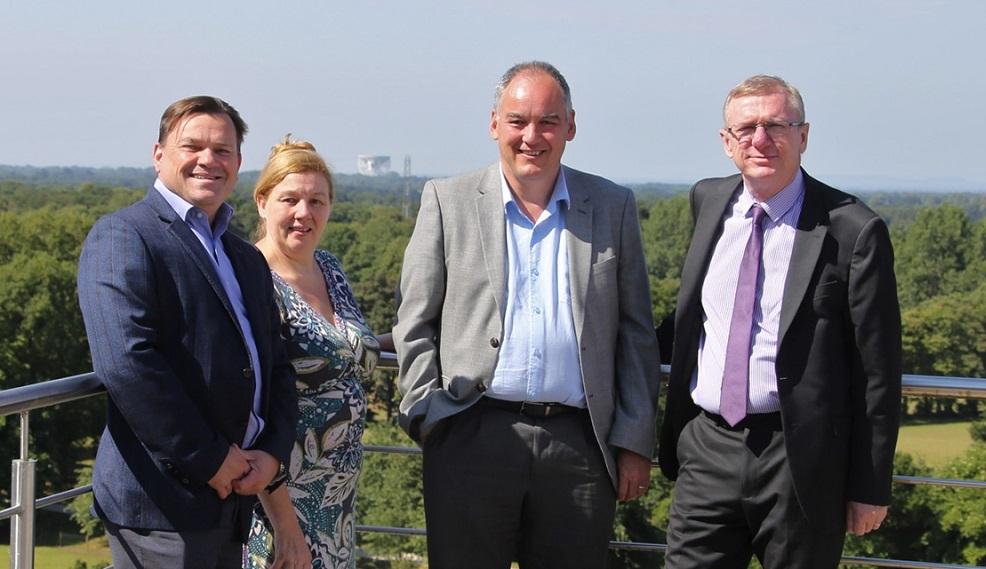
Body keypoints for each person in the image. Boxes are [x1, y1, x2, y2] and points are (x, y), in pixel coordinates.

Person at [393, 61, 660, 569]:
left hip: (580, 446)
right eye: (518, 121)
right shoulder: (446, 201)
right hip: (468, 433)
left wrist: (633, 440)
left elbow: (636, 334)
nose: (531, 136)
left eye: (548, 121)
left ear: (571, 127)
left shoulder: (612, 206)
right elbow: (414, 322)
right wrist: (428, 415)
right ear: (494, 123)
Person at [658, 75, 902, 569]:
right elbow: (693, 319)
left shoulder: (854, 229)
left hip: (799, 460)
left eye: (776, 125)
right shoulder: (708, 201)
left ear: (804, 135)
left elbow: (878, 372)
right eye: (745, 129)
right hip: (707, 447)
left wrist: (870, 486)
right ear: (726, 143)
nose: (761, 140)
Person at [77, 96, 298, 568]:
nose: (208, 160)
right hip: (162, 504)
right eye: (192, 146)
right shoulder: (123, 236)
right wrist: (211, 459)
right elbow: (127, 364)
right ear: (158, 154)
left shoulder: (245, 257)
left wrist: (272, 456)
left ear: (238, 163)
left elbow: (275, 365)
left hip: (236, 494)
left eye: (223, 150)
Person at [244, 137, 381, 569]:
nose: (305, 213)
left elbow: (344, 345)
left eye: (317, 201)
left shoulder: (330, 267)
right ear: (263, 202)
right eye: (291, 199)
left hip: (335, 501)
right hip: (282, 504)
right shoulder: (250, 280)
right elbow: (252, 414)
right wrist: (286, 527)